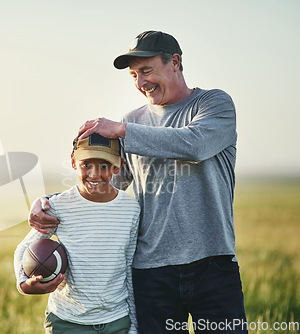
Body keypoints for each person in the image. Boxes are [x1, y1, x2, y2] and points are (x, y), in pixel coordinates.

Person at [29, 31, 248, 333]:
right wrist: (50, 202)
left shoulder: (213, 104)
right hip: (151, 272)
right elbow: (108, 184)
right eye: (134, 75)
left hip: (213, 264)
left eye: (146, 71)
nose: (140, 82)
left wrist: (121, 130)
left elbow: (194, 145)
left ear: (175, 62)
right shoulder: (132, 120)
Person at [14, 133, 140, 334]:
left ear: (118, 166)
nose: (94, 174)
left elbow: (128, 268)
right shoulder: (57, 206)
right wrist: (24, 284)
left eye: (104, 166)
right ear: (73, 161)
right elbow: (23, 248)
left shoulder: (131, 209)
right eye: (86, 164)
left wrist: (133, 327)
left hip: (117, 321)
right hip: (68, 321)